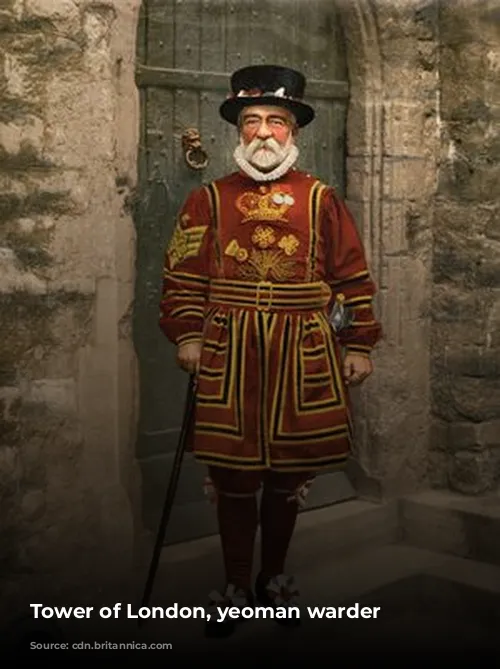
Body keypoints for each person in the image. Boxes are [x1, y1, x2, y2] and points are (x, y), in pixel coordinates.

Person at [159, 64, 382, 638]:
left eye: (275, 122)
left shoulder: (322, 199)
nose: (263, 132)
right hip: (229, 351)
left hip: (303, 347)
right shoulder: (206, 199)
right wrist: (187, 333)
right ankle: (235, 585)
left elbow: (352, 275)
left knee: (288, 475)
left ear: (295, 132)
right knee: (233, 475)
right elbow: (181, 277)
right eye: (252, 121)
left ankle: (275, 578)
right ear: (237, 131)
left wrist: (358, 342)